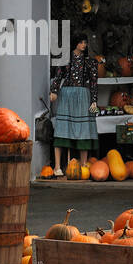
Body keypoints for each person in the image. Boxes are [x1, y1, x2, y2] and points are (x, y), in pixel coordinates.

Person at [49, 33, 99, 176]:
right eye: (81, 42)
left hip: (83, 95)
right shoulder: (65, 59)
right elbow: (58, 76)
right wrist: (54, 90)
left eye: (85, 42)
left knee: (84, 129)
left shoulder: (90, 62)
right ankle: (57, 167)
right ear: (75, 43)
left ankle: (83, 166)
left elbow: (94, 83)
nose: (84, 45)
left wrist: (94, 100)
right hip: (66, 95)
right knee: (63, 128)